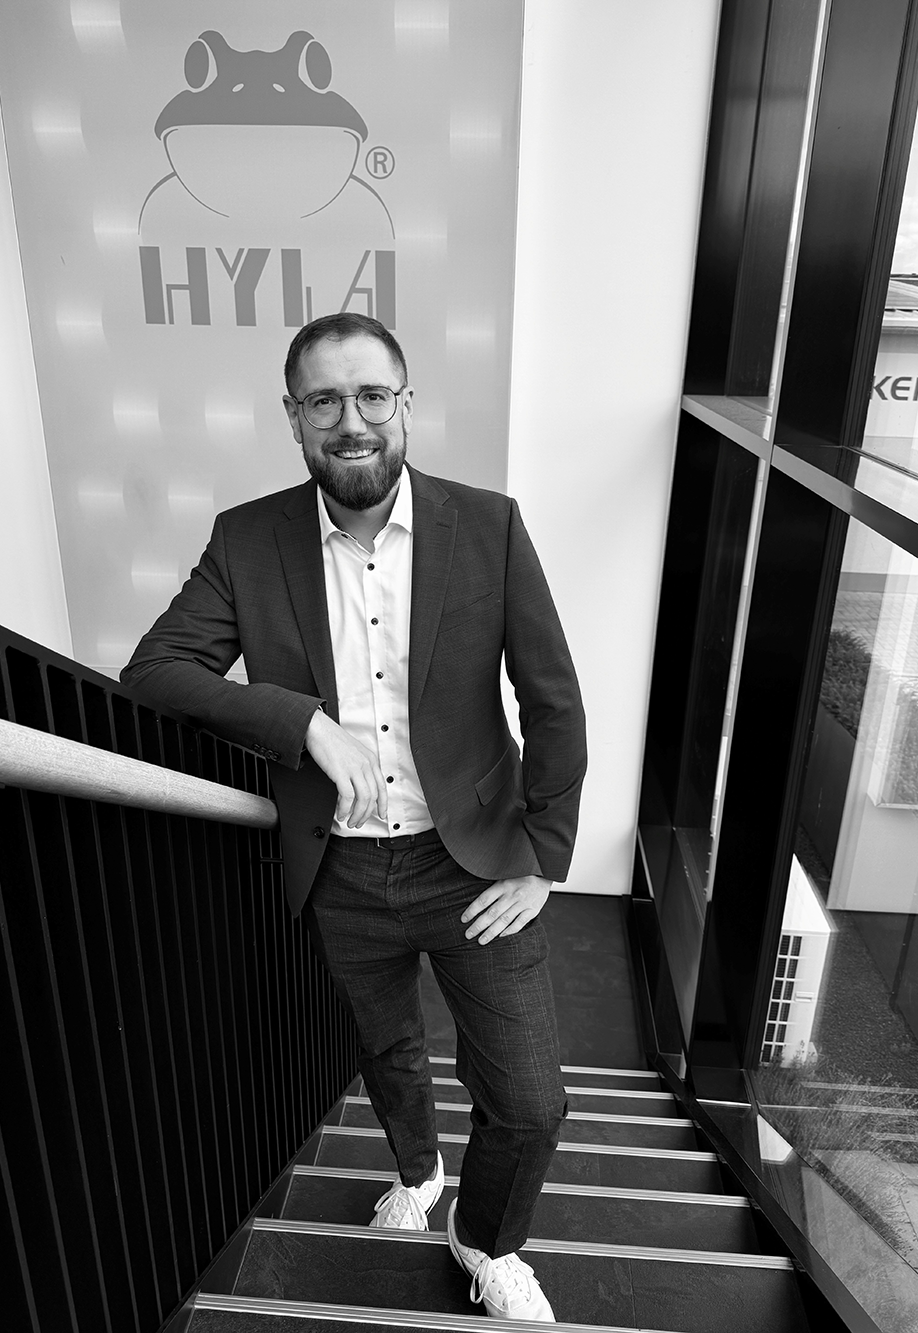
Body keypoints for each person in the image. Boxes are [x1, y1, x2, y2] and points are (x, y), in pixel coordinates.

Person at [121, 312, 587, 1321]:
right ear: (293, 417)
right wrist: (302, 722)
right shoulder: (248, 539)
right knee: (386, 1048)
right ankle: (419, 1172)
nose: (352, 420)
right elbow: (156, 669)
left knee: (529, 1100)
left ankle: (486, 1236)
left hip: (474, 863)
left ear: (405, 404)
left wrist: (544, 856)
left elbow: (553, 699)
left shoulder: (489, 525)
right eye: (324, 400)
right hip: (338, 868)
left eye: (372, 395)